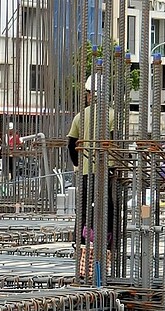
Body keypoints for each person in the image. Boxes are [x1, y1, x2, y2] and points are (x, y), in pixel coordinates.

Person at [67, 74, 115, 247]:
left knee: (85, 207)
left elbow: (71, 144)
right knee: (108, 208)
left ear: (91, 94)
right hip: (108, 172)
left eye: (88, 93)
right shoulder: (112, 116)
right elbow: (114, 144)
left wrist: (78, 165)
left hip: (87, 172)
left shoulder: (80, 116)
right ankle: (107, 244)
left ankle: (81, 243)